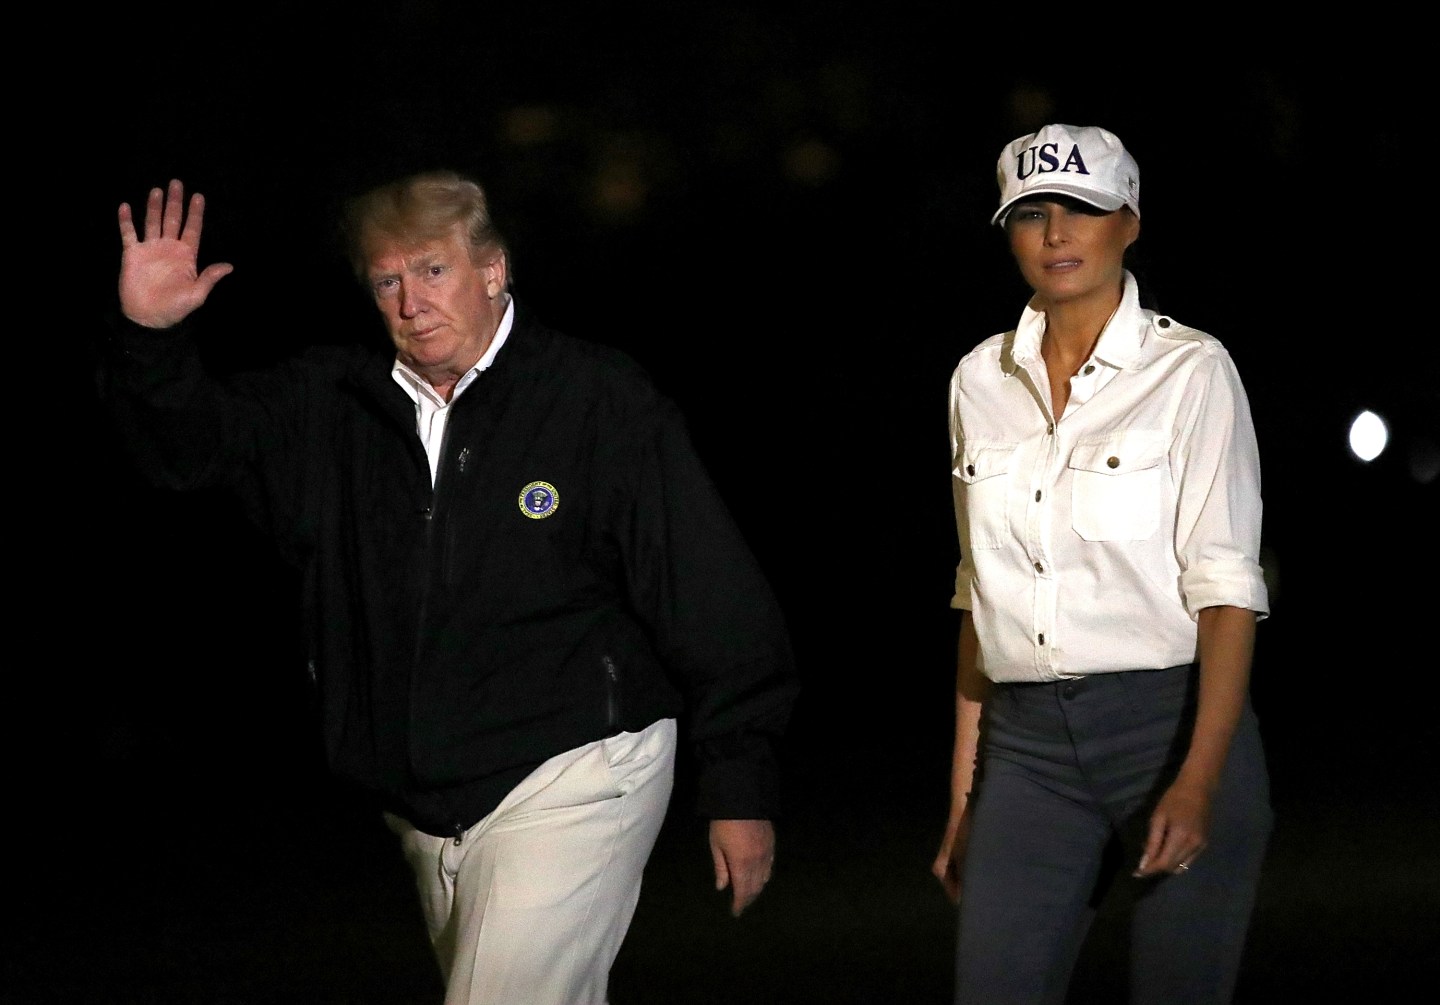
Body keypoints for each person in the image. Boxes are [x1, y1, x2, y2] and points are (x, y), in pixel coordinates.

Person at [101, 171, 799, 1004]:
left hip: (578, 767)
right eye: (387, 279)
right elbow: (190, 452)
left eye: (433, 270)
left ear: (493, 270)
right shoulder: (336, 403)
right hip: (426, 803)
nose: (411, 300)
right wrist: (149, 338)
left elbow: (709, 590)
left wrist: (739, 781)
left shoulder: (595, 399)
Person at [930, 123, 1273, 1004]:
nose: (1055, 235)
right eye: (1032, 214)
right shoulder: (978, 380)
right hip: (1029, 746)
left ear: (1129, 221)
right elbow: (980, 598)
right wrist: (966, 798)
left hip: (1169, 720)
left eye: (1081, 210)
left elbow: (1228, 587)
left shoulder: (1191, 370)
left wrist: (1199, 779)